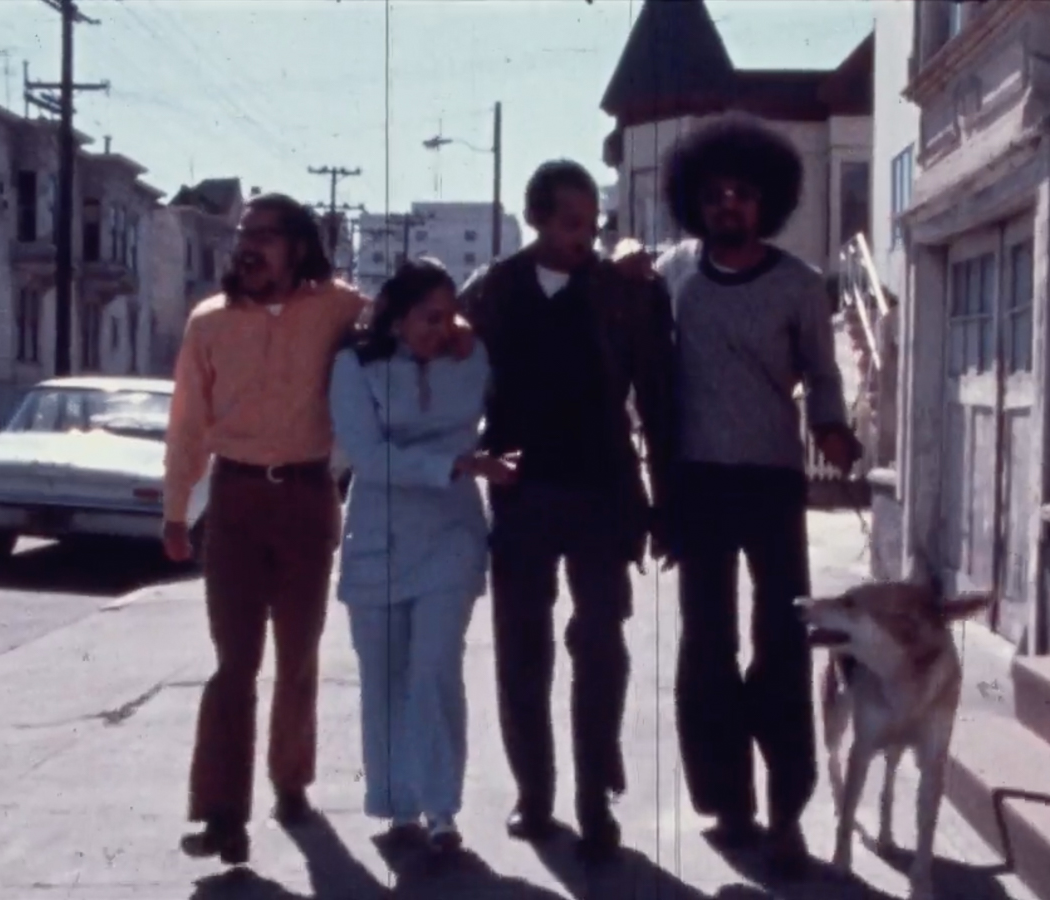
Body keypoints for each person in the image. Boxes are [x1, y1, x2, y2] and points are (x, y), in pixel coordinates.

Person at [162, 192, 475, 866]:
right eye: (244, 234)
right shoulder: (208, 323)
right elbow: (187, 421)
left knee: (297, 658)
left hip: (307, 498)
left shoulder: (337, 308)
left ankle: (291, 783)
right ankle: (222, 814)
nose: (249, 247)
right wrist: (175, 509)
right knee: (233, 665)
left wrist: (460, 326)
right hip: (237, 500)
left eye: (267, 236)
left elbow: (406, 314)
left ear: (299, 246)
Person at [654, 112, 861, 875]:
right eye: (714, 195)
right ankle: (727, 803)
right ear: (695, 203)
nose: (728, 206)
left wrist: (835, 430)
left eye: (742, 194)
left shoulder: (801, 285)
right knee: (706, 643)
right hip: (697, 486)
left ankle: (786, 808)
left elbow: (824, 376)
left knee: (781, 642)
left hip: (774, 482)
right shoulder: (673, 273)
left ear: (766, 200)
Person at [460, 159, 676, 861]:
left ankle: (594, 800)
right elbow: (440, 369)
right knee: (523, 651)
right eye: (570, 223)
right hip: (521, 494)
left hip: (604, 492)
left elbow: (659, 399)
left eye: (592, 224)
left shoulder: (625, 293)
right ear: (538, 217)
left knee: (601, 648)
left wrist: (666, 500)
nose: (584, 237)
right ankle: (535, 794)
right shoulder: (490, 291)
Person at [330, 258, 516, 854]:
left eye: (449, 316)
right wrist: (456, 465)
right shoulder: (355, 367)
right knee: (384, 675)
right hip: (378, 535)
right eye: (428, 318)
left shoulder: (472, 358)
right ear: (397, 316)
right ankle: (397, 805)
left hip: (451, 536)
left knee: (435, 668)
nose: (442, 328)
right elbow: (368, 455)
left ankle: (441, 810)